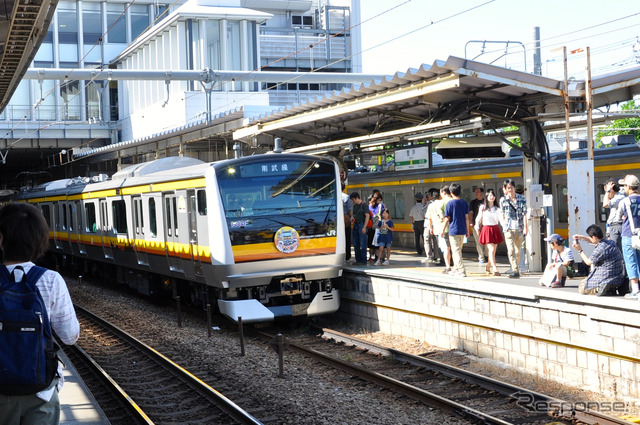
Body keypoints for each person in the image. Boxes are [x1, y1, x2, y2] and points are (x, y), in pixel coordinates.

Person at [0, 203, 80, 425]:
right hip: (40, 392)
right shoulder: (51, 280)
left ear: (1, 239)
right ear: (40, 239)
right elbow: (70, 337)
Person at [572, 224, 625, 295]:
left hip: (606, 276)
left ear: (594, 237)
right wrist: (582, 237)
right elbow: (594, 241)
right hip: (617, 276)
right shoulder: (610, 242)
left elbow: (588, 262)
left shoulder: (600, 248)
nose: (589, 238)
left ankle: (599, 288)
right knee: (586, 281)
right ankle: (609, 288)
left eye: (589, 237)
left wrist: (579, 250)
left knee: (582, 287)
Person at [500, 179, 528, 278]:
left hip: (519, 227)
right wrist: (504, 226)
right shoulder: (503, 200)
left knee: (517, 250)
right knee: (510, 250)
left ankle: (517, 267)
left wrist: (526, 227)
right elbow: (503, 214)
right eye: (508, 188)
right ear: (505, 189)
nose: (510, 190)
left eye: (511, 187)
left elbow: (525, 214)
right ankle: (515, 269)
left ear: (514, 188)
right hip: (508, 228)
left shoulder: (522, 199)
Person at [618, 174, 640, 298]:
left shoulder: (625, 201)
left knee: (630, 261)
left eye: (624, 186)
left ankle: (636, 290)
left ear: (628, 187)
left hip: (628, 235)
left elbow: (618, 216)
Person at [442, 183, 469, 277]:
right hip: (462, 230)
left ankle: (462, 270)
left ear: (451, 192)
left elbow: (447, 218)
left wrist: (442, 230)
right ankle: (455, 269)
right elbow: (467, 218)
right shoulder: (464, 203)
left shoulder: (450, 203)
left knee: (456, 251)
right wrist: (467, 230)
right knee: (457, 250)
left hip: (453, 230)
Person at [474, 189, 503, 276]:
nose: (492, 197)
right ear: (486, 197)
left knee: (493, 250)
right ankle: (495, 268)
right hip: (486, 228)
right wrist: (477, 228)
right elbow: (478, 218)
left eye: (493, 195)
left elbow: (501, 219)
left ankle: (488, 266)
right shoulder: (482, 207)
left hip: (495, 228)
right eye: (490, 195)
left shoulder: (497, 208)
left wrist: (505, 227)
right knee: (491, 249)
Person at [427, 186, 452, 272]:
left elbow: (429, 218)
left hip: (439, 228)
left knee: (443, 247)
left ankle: (445, 262)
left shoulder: (432, 205)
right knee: (451, 246)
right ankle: (452, 262)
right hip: (451, 227)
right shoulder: (449, 202)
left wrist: (430, 228)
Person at [602, 177, 626, 253]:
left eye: (607, 191)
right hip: (612, 227)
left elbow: (605, 204)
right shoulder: (616, 197)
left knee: (616, 250)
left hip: (616, 227)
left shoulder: (620, 197)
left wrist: (607, 191)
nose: (607, 194)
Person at [468, 186, 488, 264]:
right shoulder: (472, 202)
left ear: (482, 193)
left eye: (478, 192)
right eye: (475, 192)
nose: (476, 193)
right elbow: (471, 213)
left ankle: (486, 255)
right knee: (478, 241)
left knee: (486, 241)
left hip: (485, 224)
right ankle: (481, 257)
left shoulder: (485, 202)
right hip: (476, 225)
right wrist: (471, 222)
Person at [349, 192, 370, 265]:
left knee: (363, 243)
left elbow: (367, 216)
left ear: (357, 198)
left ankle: (363, 260)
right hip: (355, 225)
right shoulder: (355, 206)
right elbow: (354, 214)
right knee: (356, 243)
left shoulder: (364, 205)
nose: (353, 201)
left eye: (353, 200)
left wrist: (364, 227)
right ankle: (358, 260)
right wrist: (352, 217)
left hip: (361, 225)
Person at [422, 188, 440, 263]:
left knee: (427, 239)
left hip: (428, 224)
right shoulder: (439, 202)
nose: (428, 196)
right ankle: (437, 256)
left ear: (432, 195)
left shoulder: (430, 204)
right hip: (437, 223)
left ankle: (429, 256)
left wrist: (423, 203)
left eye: (429, 194)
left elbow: (424, 212)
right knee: (436, 241)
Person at [341, 182, 352, 261]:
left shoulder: (333, 196)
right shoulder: (346, 197)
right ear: (344, 188)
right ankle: (347, 255)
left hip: (335, 220)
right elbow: (349, 210)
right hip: (345, 221)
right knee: (347, 238)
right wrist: (351, 217)